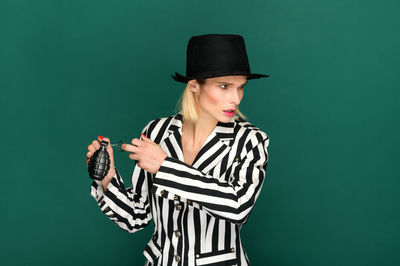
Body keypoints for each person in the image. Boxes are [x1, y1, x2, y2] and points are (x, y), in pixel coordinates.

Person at [86, 34, 270, 266]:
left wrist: (164, 166)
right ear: (194, 85)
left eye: (241, 87)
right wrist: (108, 178)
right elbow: (136, 217)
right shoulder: (157, 132)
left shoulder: (250, 140)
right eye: (224, 86)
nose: (236, 98)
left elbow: (238, 206)